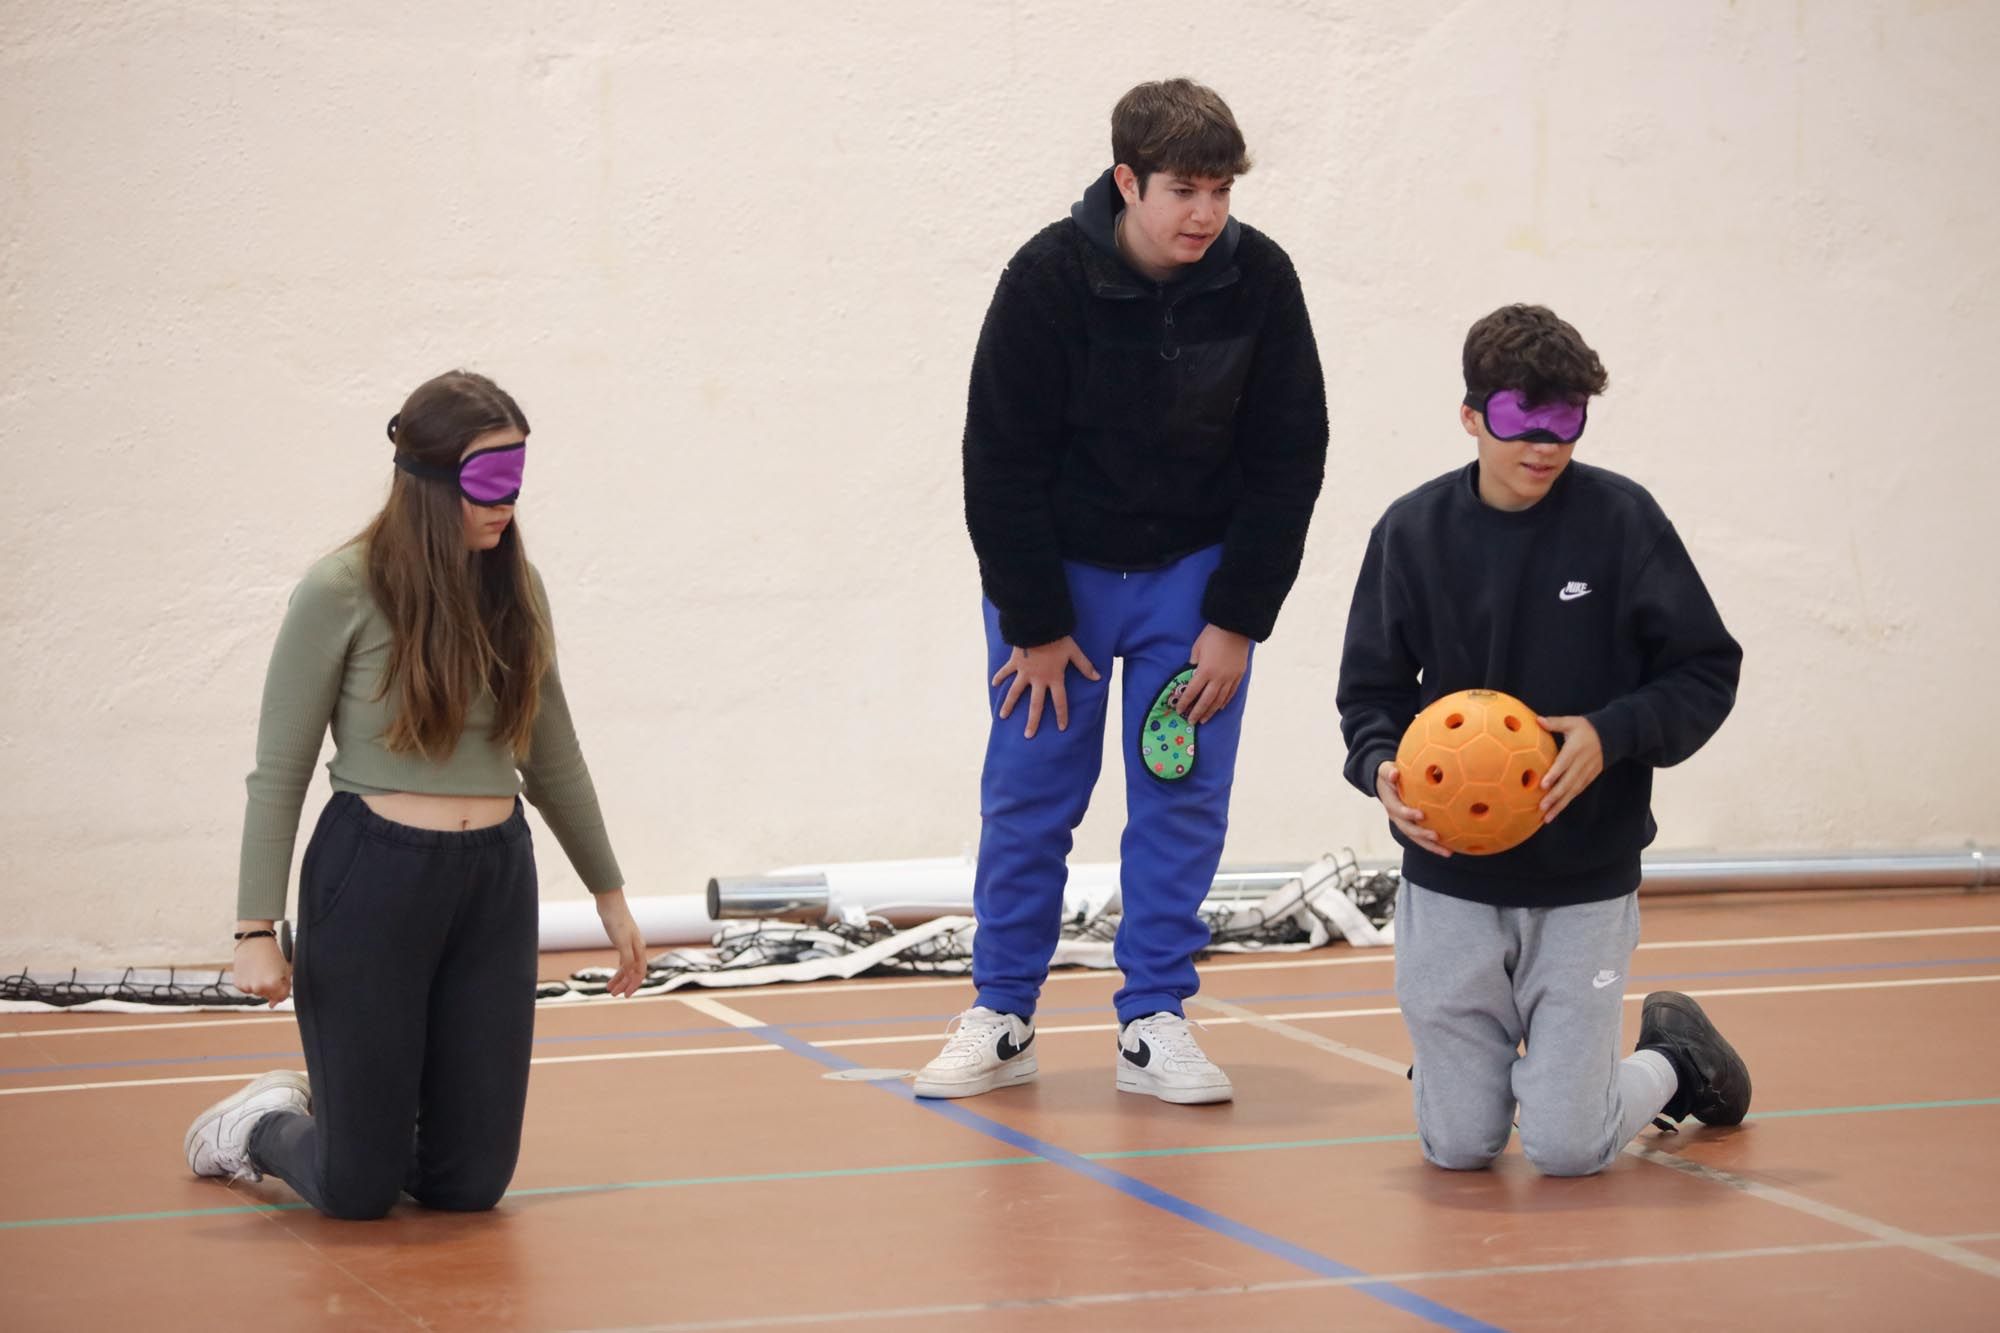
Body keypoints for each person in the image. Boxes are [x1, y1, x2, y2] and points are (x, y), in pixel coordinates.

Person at [916, 78, 1329, 1104]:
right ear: (1125, 181)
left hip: (1192, 587)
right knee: (1028, 800)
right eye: (1183, 189)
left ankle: (1153, 1018)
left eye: (1221, 191)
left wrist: (1235, 619)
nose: (1204, 213)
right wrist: (1037, 624)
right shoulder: (1044, 279)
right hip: (1059, 590)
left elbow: (1290, 458)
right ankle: (1003, 1013)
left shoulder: (1261, 281)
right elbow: (996, 461)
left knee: (1180, 799)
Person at [183, 370, 647, 1218]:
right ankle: (258, 1126)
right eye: (486, 483)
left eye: (515, 480)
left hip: (493, 881)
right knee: (358, 1190)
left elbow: (555, 756)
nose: (505, 504)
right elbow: (278, 766)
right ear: (429, 482)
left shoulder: (517, 589)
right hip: (372, 879)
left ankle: (371, 1121)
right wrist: (254, 927)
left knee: (466, 1184)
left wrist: (609, 894)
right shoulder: (341, 589)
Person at [1336, 304, 1749, 1175]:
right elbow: (1369, 694)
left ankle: (1672, 1058)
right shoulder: (1411, 533)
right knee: (1457, 1145)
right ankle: (1468, 1069)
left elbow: (1706, 669)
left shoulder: (1623, 521)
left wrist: (1613, 731)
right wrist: (1379, 769)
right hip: (1449, 873)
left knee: (1568, 1146)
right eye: (1523, 417)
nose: (1545, 443)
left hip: (1583, 877)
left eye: (1567, 420)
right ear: (1471, 414)